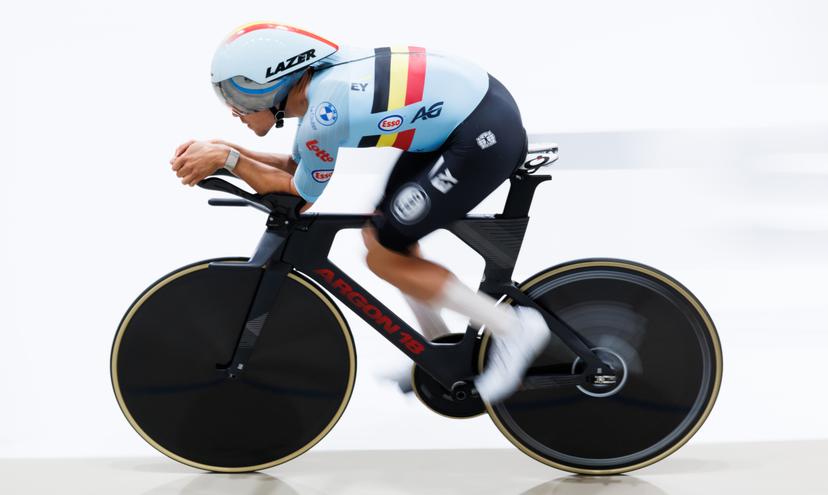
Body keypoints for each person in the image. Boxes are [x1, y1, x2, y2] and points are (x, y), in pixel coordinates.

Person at [170, 22, 550, 403]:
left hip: (480, 136)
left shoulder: (327, 112)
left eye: (241, 92)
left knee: (383, 255)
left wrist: (229, 158)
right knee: (381, 235)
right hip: (464, 123)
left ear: (278, 78)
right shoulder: (320, 91)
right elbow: (297, 165)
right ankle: (437, 353)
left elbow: (300, 196)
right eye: (226, 95)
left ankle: (512, 328)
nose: (235, 108)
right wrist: (229, 152)